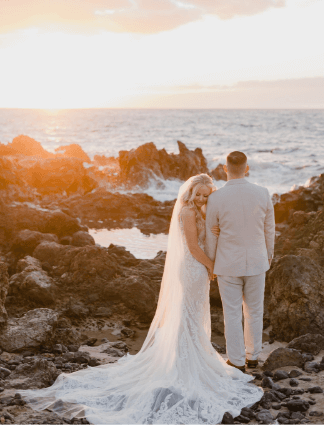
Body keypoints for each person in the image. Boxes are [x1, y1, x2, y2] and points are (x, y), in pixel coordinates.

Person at [19, 173, 263, 425]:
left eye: (206, 194)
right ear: (189, 193)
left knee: (193, 312)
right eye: (198, 194)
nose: (201, 197)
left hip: (198, 269)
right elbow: (192, 246)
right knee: (187, 313)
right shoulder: (188, 212)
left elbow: (209, 236)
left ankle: (194, 357)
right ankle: (181, 363)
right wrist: (211, 266)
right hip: (192, 268)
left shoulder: (202, 210)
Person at [206, 151, 275, 372]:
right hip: (257, 261)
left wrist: (211, 263)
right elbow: (269, 229)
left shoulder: (215, 198)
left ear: (225, 168)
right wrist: (269, 255)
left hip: (227, 263)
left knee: (232, 313)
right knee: (254, 311)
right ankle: (253, 356)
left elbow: (211, 234)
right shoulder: (263, 193)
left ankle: (236, 361)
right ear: (247, 168)